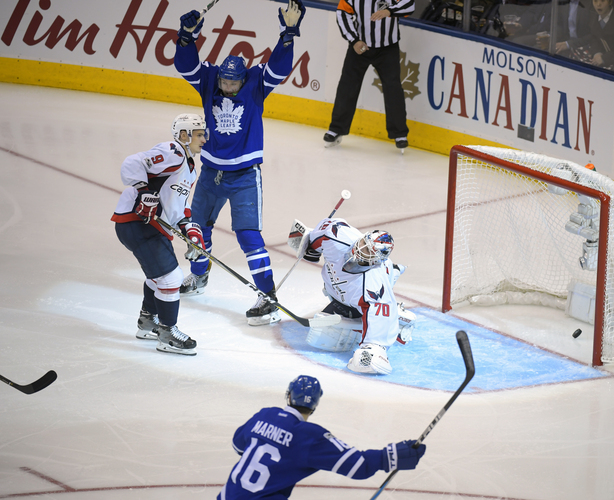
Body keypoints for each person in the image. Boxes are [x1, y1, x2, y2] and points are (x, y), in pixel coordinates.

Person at [173, 1, 306, 326]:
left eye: (233, 84)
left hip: (246, 176)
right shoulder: (209, 80)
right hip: (211, 174)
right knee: (198, 231)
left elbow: (279, 67)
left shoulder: (256, 83)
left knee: (249, 237)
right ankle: (199, 277)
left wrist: (287, 35)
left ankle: (267, 296)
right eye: (224, 83)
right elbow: (185, 66)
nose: (228, 88)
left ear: (243, 79)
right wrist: (186, 39)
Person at [217, 375, 426, 499]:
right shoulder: (309, 437)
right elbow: (358, 467)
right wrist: (393, 455)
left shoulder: (265, 414)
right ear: (315, 404)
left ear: (288, 396)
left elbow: (239, 446)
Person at [111, 114, 208, 356]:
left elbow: (179, 207)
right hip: (138, 222)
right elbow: (132, 162)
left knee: (158, 278)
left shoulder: (190, 168)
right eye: (199, 134)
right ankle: (167, 334)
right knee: (171, 279)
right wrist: (143, 191)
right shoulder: (172, 152)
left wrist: (189, 227)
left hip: (150, 226)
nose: (204, 139)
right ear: (184, 135)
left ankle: (148, 322)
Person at [298, 217, 415, 375]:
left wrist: (371, 350)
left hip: (356, 299)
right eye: (363, 244)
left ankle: (398, 316)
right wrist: (311, 244)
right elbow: (327, 227)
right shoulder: (337, 237)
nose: (360, 250)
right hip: (337, 292)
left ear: (377, 259)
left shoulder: (374, 287)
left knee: (325, 337)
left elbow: (375, 350)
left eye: (367, 251)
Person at [324, 0, 415, 152]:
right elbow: (342, 13)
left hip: (388, 48)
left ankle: (399, 134)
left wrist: (389, 11)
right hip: (360, 47)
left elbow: (410, 5)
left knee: (393, 88)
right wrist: (354, 40)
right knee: (347, 86)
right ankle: (337, 129)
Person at [556, 0, 614, 69]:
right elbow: (594, 38)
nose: (598, 4)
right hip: (599, 56)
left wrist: (604, 58)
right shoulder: (593, 15)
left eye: (602, 1)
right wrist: (597, 53)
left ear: (610, 2)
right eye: (595, 1)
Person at [508, 0, 591, 51]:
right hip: (552, 37)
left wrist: (565, 43)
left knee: (537, 49)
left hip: (577, 45)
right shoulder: (565, 3)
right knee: (516, 41)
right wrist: (521, 25)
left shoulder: (589, 5)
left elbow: (593, 35)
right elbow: (531, 11)